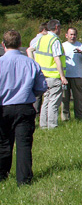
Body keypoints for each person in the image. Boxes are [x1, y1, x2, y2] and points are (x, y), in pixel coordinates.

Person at [0, 30, 47, 185]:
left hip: (3, 108)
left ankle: (2, 175)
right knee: (24, 144)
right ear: (20, 44)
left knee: (4, 143)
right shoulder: (31, 63)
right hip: (24, 107)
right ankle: (24, 180)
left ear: (3, 44)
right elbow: (41, 87)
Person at [33, 19, 67, 130]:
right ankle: (52, 126)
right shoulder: (54, 40)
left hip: (43, 76)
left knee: (46, 101)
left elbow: (31, 50)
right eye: (60, 27)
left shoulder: (42, 39)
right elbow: (57, 59)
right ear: (56, 27)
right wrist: (62, 76)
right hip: (53, 76)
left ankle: (43, 125)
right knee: (54, 103)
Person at [60, 27, 82, 121]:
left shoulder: (81, 46)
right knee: (65, 99)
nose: (72, 36)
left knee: (78, 99)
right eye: (71, 34)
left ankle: (80, 118)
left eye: (74, 35)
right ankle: (65, 118)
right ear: (66, 35)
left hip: (77, 76)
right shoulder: (62, 46)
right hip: (65, 76)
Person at [26, 22, 48, 113]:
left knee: (38, 93)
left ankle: (37, 112)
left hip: (37, 67)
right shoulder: (41, 39)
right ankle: (38, 113)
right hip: (41, 67)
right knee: (42, 93)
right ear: (43, 30)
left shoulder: (33, 39)